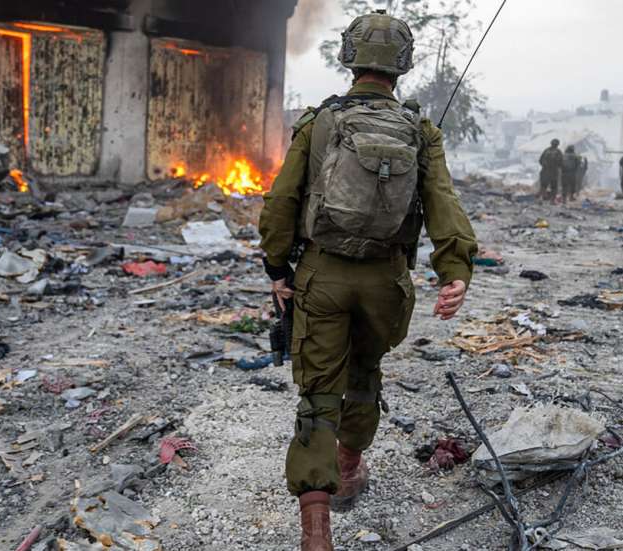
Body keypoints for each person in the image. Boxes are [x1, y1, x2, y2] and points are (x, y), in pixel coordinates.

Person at [258, 10, 478, 551]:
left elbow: (281, 201)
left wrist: (277, 269)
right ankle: (349, 468)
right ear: (403, 64)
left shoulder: (318, 123)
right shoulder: (420, 131)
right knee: (364, 375)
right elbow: (443, 203)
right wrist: (455, 270)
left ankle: (316, 533)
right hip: (386, 280)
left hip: (322, 276)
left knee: (317, 393)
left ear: (349, 57)